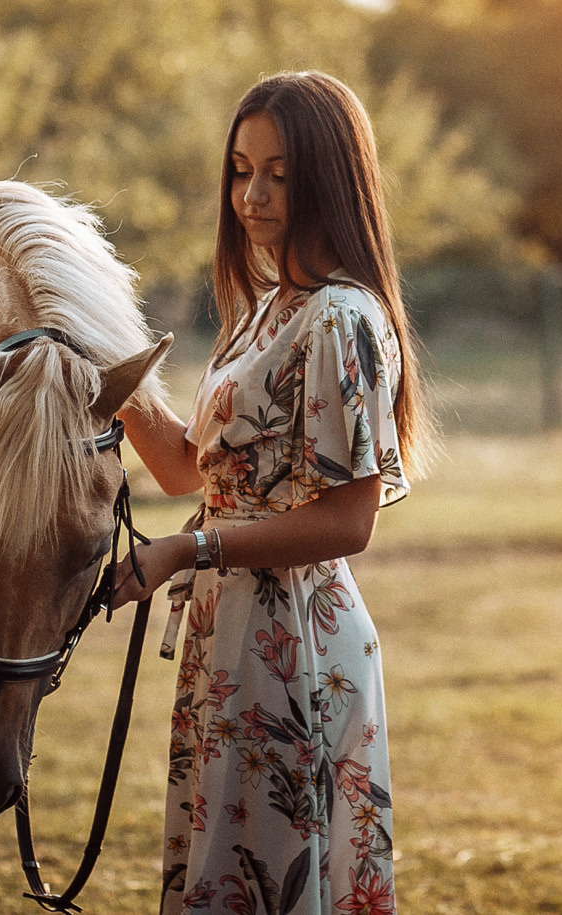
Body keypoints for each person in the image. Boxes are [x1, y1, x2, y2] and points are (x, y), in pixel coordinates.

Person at [114, 71, 431, 915]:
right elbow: (192, 472)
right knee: (228, 866)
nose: (252, 194)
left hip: (294, 636)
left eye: (279, 173)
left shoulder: (340, 318)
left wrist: (189, 548)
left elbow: (348, 520)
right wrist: (103, 365)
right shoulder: (263, 311)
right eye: (241, 169)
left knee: (273, 873)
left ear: (328, 175)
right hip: (232, 632)